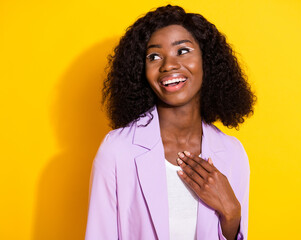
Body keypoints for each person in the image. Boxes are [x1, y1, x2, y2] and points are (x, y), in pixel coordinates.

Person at [85, 5, 255, 240]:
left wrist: (232, 213)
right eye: (154, 56)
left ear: (207, 61)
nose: (168, 65)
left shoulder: (232, 153)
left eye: (182, 51)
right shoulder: (117, 151)